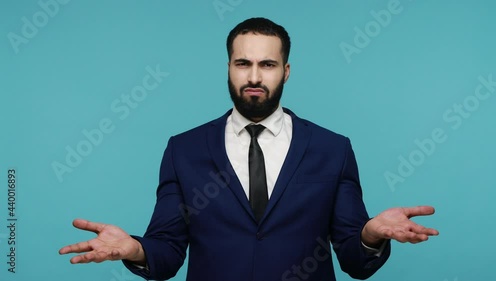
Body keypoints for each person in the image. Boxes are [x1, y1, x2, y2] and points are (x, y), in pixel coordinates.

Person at [59, 17, 438, 281]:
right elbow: (168, 250)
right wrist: (134, 250)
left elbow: (355, 262)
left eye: (267, 64)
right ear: (228, 68)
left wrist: (371, 235)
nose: (254, 76)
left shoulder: (332, 149)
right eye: (243, 63)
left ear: (286, 71)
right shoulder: (183, 150)